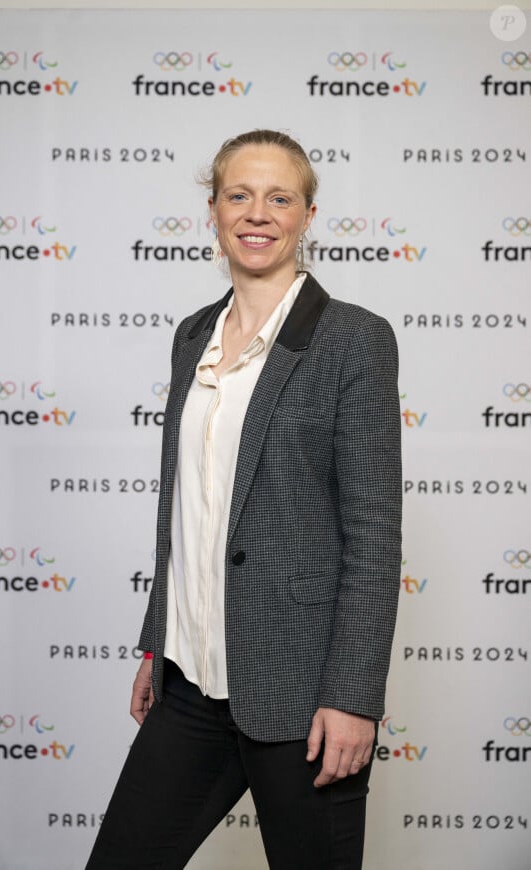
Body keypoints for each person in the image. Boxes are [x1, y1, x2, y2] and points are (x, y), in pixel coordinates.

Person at [86, 129, 402, 870]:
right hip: (192, 687)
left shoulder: (353, 340)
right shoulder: (193, 333)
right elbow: (186, 509)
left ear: (307, 215)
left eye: (279, 198)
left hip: (303, 699)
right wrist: (158, 641)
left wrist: (354, 696)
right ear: (214, 209)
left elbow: (375, 532)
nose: (257, 214)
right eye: (239, 195)